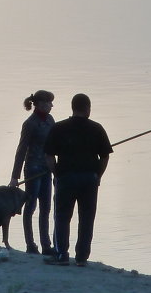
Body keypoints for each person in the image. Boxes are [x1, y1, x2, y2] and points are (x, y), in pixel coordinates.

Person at [42, 93, 112, 267]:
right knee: (87, 218)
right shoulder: (97, 128)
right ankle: (81, 257)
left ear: (73, 108)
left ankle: (61, 255)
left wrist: (55, 174)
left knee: (62, 217)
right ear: (88, 109)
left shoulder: (59, 128)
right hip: (89, 178)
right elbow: (104, 157)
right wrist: (98, 176)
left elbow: (49, 156)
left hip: (66, 177)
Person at [9, 90, 56, 255]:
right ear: (41, 104)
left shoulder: (50, 120)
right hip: (32, 170)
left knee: (46, 207)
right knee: (30, 206)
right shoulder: (30, 123)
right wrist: (15, 177)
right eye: (49, 102)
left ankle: (46, 245)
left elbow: (55, 146)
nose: (52, 105)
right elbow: (21, 150)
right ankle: (30, 244)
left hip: (46, 169)